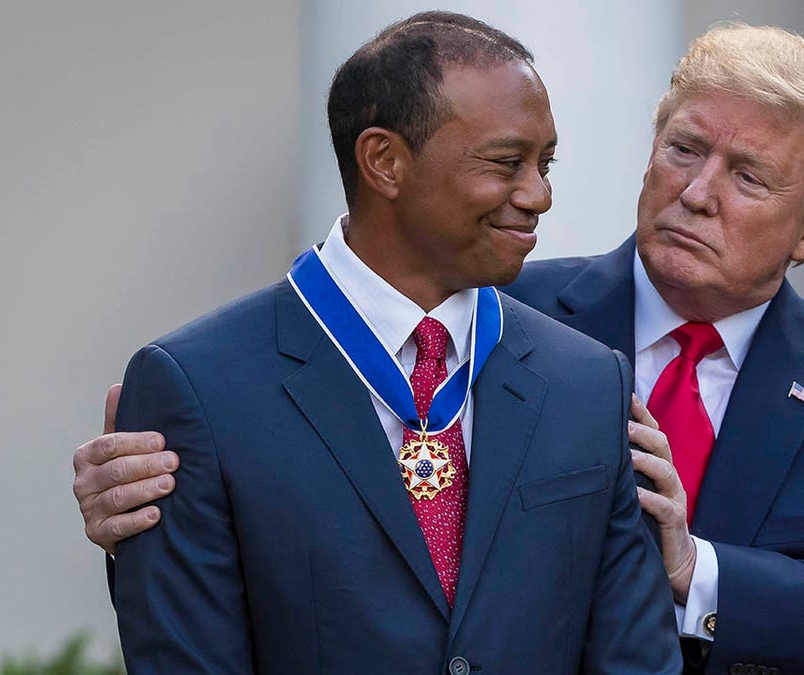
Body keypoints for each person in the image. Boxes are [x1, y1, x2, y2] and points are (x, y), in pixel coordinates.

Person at [75, 21, 804, 675]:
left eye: (747, 177)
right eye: (683, 149)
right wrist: (173, 487)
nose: (697, 192)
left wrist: (694, 571)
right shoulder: (483, 305)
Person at [99, 12, 681, 674]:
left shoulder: (588, 382)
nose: (539, 194)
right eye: (506, 162)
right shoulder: (197, 386)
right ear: (384, 161)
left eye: (545, 163)